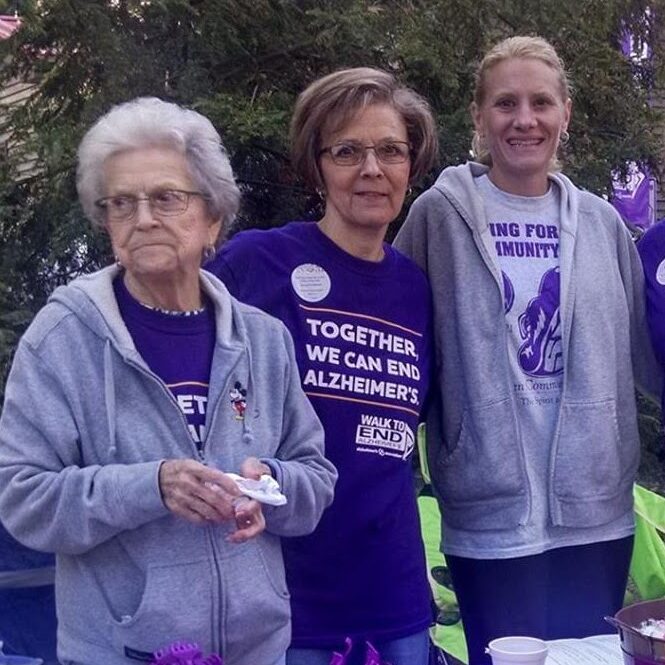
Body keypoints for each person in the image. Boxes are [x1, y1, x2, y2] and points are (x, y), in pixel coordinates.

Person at [0, 97, 337, 665]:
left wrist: (271, 488)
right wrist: (150, 487)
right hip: (123, 651)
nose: (144, 218)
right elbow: (23, 498)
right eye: (121, 203)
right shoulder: (62, 339)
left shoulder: (263, 339)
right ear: (105, 223)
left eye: (166, 198)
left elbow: (316, 478)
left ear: (213, 218)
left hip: (258, 650)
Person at [393, 36, 661, 665]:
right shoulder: (438, 216)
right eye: (505, 103)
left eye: (541, 102)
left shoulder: (601, 224)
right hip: (488, 511)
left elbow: (645, 353)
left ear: (565, 112)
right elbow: (399, 339)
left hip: (595, 508)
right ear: (480, 117)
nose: (524, 119)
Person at [206, 68, 438, 665]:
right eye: (347, 151)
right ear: (317, 165)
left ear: (411, 164)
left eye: (391, 150)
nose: (371, 169)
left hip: (394, 591)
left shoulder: (415, 287)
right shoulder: (258, 263)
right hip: (288, 594)